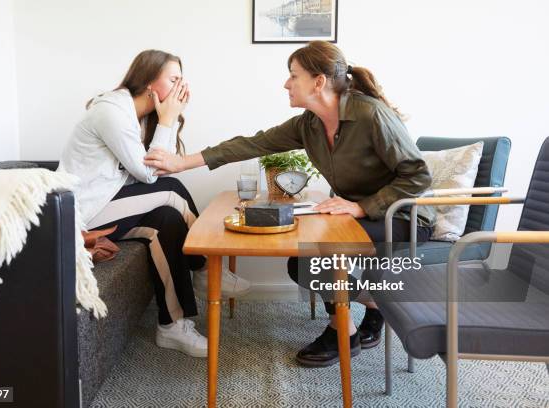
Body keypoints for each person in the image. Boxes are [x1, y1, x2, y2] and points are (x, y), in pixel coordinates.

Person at [144, 41, 436, 366]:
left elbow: (418, 176)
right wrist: (182, 163)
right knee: (300, 263)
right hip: (356, 216)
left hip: (404, 216)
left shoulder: (370, 115)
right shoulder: (308, 124)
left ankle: (343, 331)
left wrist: (361, 207)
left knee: (322, 253)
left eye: (293, 75)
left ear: (318, 81)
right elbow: (252, 143)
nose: (286, 83)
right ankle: (375, 307)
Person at [57, 49, 251, 358]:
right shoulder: (111, 112)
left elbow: (162, 164)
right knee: (171, 189)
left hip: (109, 204)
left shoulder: (137, 117)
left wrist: (167, 121)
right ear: (149, 82)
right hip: (83, 212)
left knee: (167, 220)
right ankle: (205, 269)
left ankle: (172, 325)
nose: (180, 87)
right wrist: (169, 119)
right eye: (173, 79)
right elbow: (152, 174)